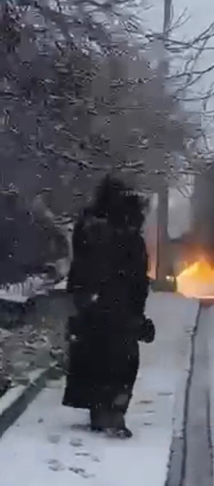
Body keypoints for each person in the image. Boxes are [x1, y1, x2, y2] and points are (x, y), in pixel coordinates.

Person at [62, 176, 154, 438]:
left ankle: (99, 409)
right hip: (120, 306)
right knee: (123, 361)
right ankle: (115, 411)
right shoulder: (128, 230)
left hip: (94, 303)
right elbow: (138, 273)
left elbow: (80, 263)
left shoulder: (90, 226)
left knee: (95, 358)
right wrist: (138, 310)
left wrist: (81, 297)